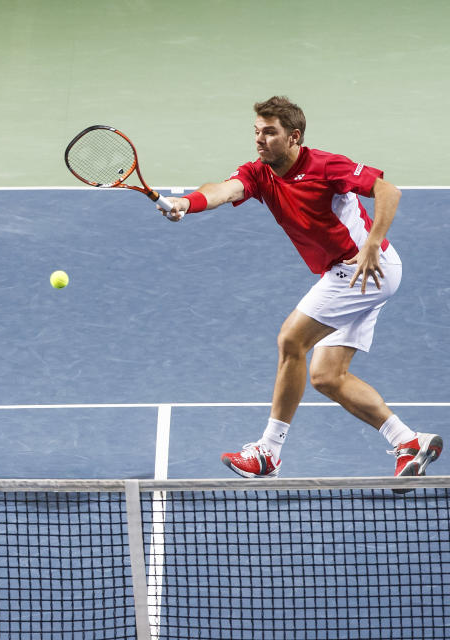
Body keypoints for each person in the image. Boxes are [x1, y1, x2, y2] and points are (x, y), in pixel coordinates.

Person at [161, 96, 441, 480]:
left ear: (294, 137)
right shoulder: (259, 173)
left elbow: (388, 191)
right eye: (256, 132)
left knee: (291, 340)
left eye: (270, 133)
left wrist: (373, 242)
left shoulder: (325, 165)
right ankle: (410, 441)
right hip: (350, 274)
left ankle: (268, 453)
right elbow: (223, 190)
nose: (260, 140)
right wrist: (186, 203)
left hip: (362, 270)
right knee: (328, 377)